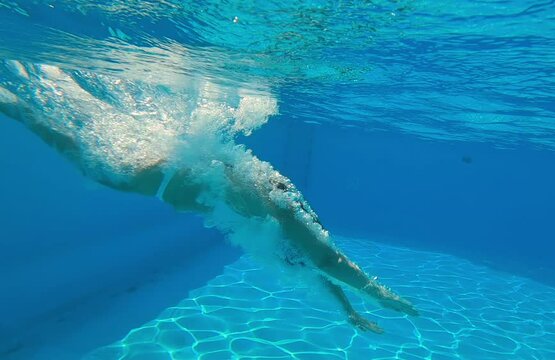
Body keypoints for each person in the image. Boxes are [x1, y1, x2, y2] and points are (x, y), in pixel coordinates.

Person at [0, 65, 418, 333]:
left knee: (110, 154)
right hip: (186, 182)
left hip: (200, 178)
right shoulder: (287, 223)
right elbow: (328, 262)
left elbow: (321, 271)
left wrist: (351, 312)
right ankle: (24, 98)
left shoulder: (289, 233)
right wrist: (382, 296)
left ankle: (49, 85)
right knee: (104, 167)